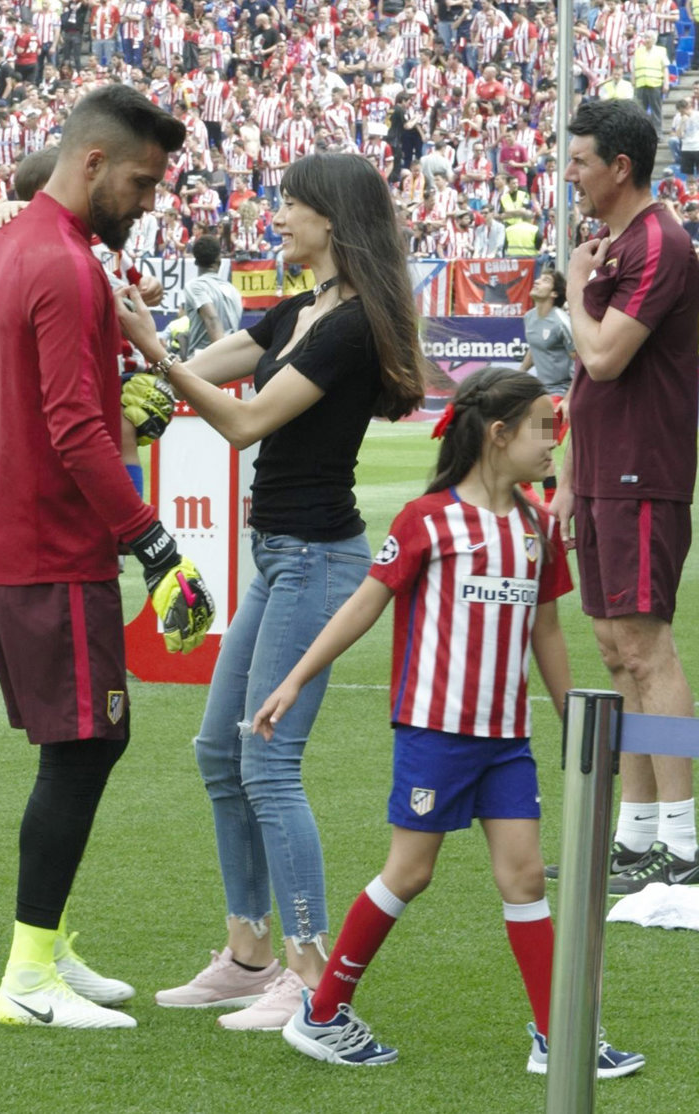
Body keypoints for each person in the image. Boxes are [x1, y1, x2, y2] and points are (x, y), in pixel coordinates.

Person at [251, 367, 644, 1077]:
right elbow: (366, 603)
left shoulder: (536, 526)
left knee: (526, 877)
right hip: (433, 735)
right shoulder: (427, 519)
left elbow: (547, 630)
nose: (553, 443)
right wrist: (294, 678)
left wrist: (572, 718)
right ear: (499, 434)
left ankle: (560, 1037)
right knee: (410, 872)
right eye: (543, 428)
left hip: (507, 741)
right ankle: (323, 1013)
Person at [116, 152, 427, 1032]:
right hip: (279, 559)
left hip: (320, 562)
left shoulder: (351, 326)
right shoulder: (297, 311)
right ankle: (249, 954)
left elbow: (245, 419)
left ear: (332, 218)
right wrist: (140, 334)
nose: (276, 217)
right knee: (219, 753)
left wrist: (155, 353)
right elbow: (198, 366)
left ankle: (308, 971)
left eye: (290, 204)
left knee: (267, 762)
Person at [0, 85, 214, 1031]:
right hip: (51, 547)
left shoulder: (2, 249)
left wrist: (117, 399)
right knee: (84, 748)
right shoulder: (66, 265)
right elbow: (71, 430)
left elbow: (48, 400)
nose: (149, 202)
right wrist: (155, 545)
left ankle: (51, 947)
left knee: (78, 746)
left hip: (9, 536)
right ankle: (29, 977)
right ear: (94, 161)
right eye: (143, 183)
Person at [554, 98, 699, 894]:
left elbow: (604, 358)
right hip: (603, 473)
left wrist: (576, 285)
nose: (568, 173)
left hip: (643, 470)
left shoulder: (660, 244)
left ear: (620, 166)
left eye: (580, 160)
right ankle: (638, 837)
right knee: (615, 649)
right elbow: (589, 384)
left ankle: (683, 840)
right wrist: (570, 479)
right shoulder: (617, 244)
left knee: (648, 648)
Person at [519, 269, 575, 504]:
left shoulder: (561, 321)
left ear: (554, 293)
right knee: (531, 448)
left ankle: (549, 503)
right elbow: (535, 349)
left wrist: (569, 399)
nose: (537, 281)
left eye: (545, 280)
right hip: (541, 394)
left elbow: (580, 359)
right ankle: (541, 506)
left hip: (561, 393)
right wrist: (518, 374)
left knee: (538, 444)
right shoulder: (529, 317)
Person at [182, 234, 244, 358]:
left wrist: (220, 358)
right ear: (219, 260)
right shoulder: (234, 290)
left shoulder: (195, 286)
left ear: (196, 260)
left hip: (206, 358)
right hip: (231, 358)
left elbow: (212, 319)